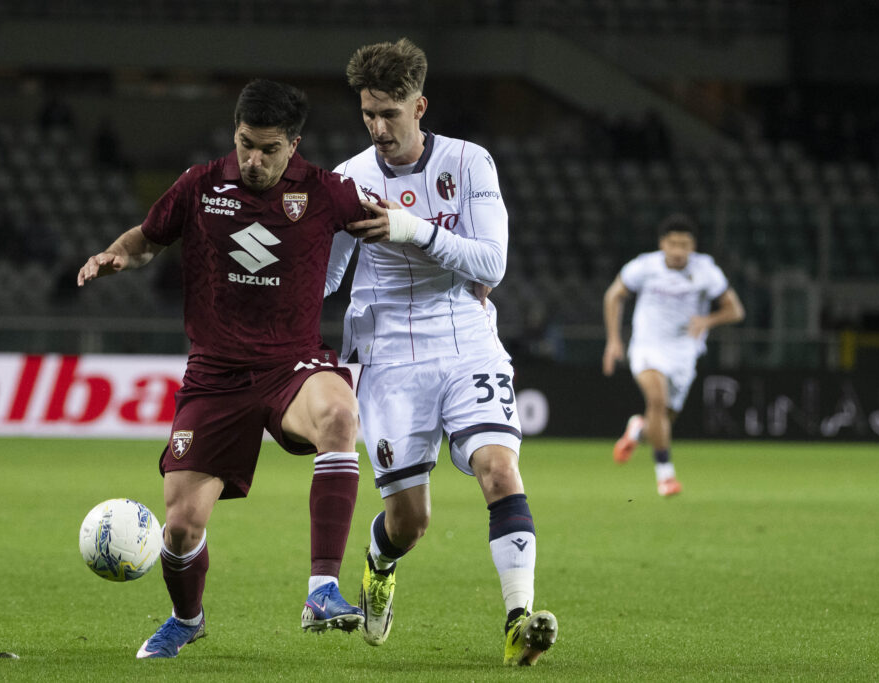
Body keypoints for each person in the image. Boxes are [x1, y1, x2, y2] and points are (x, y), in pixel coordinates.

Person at [77, 79, 372, 659]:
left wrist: (466, 276)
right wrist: (117, 255)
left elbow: (391, 232)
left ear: (294, 143)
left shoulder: (327, 191)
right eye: (244, 144)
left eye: (268, 148)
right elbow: (147, 239)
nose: (254, 160)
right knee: (181, 527)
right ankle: (187, 619)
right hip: (214, 373)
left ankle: (322, 590)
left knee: (340, 413)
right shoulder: (199, 184)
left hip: (293, 364)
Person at [324, 38, 558, 666]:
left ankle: (518, 619)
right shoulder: (349, 179)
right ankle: (378, 563)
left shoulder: (470, 162)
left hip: (464, 336)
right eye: (368, 113)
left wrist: (409, 228)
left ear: (419, 105)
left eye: (390, 113)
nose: (378, 128)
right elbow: (325, 278)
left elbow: (493, 262)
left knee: (499, 469)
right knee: (408, 523)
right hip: (387, 355)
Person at [602, 213, 745, 496]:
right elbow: (613, 295)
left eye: (684, 244)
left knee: (662, 417)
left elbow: (736, 310)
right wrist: (614, 341)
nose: (678, 251)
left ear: (693, 246)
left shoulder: (706, 271)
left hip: (684, 352)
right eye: (673, 243)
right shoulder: (644, 266)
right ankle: (665, 475)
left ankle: (638, 430)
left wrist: (708, 320)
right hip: (647, 345)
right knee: (657, 399)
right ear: (662, 244)